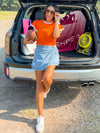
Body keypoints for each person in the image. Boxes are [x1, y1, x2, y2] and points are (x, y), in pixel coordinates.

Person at [24, 3, 63, 133]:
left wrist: (57, 22)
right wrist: (27, 39)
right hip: (39, 52)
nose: (49, 14)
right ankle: (40, 117)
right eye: (48, 11)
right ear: (45, 11)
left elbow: (56, 36)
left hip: (52, 52)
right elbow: (29, 36)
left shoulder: (56, 25)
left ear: (55, 14)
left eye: (52, 12)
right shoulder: (37, 22)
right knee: (39, 86)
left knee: (47, 78)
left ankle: (47, 87)